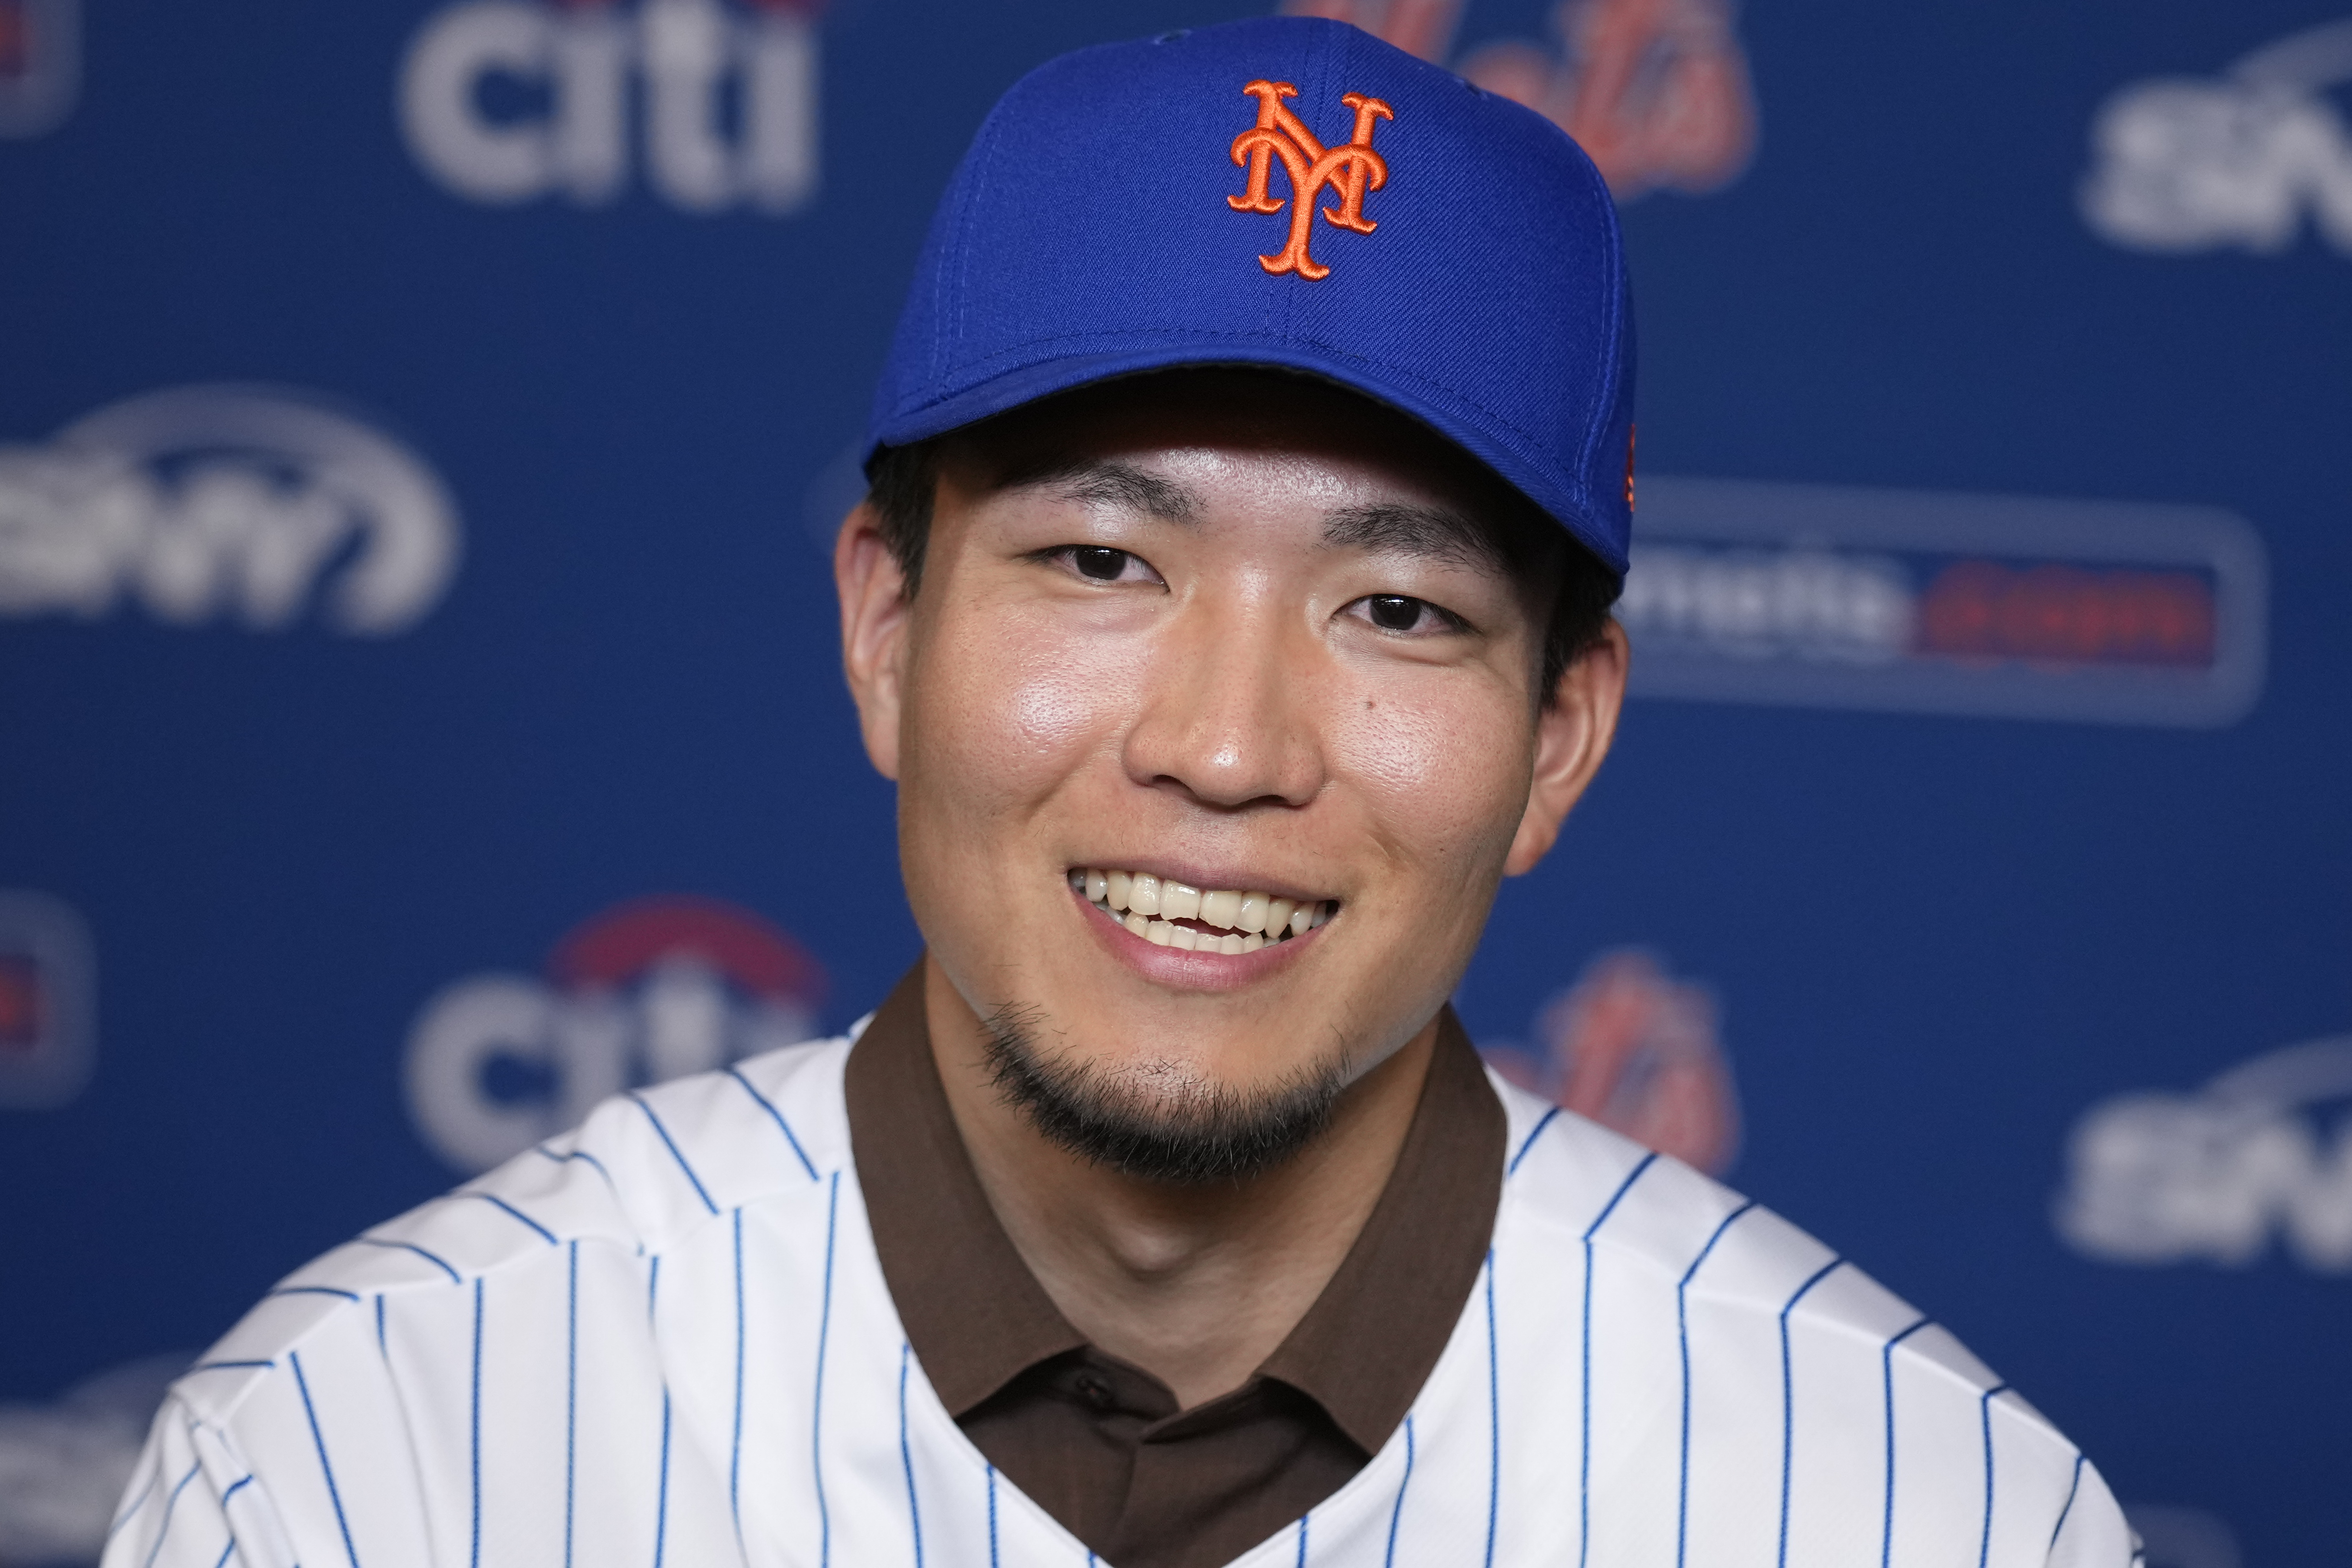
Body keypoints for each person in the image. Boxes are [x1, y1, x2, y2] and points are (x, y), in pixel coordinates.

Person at [104, 17, 2133, 1568]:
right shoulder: (365, 1454)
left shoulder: (1924, 1511)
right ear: (887, 628)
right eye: (1100, 562)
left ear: (1560, 737)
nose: (1226, 747)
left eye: (1398, 605)